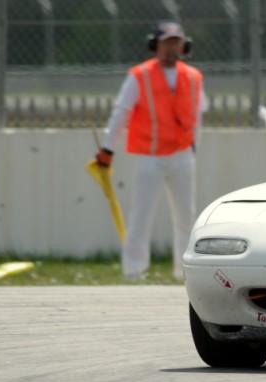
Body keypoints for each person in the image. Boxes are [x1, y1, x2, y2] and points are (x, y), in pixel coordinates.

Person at [95, 21, 207, 280]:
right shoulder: (140, 76)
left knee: (186, 216)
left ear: (183, 45)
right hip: (150, 157)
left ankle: (184, 270)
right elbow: (120, 113)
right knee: (141, 215)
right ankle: (134, 270)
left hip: (181, 156)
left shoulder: (193, 77)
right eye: (166, 42)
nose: (171, 48)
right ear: (155, 45)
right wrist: (107, 149)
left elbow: (197, 116)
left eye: (176, 42)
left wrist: (193, 151)